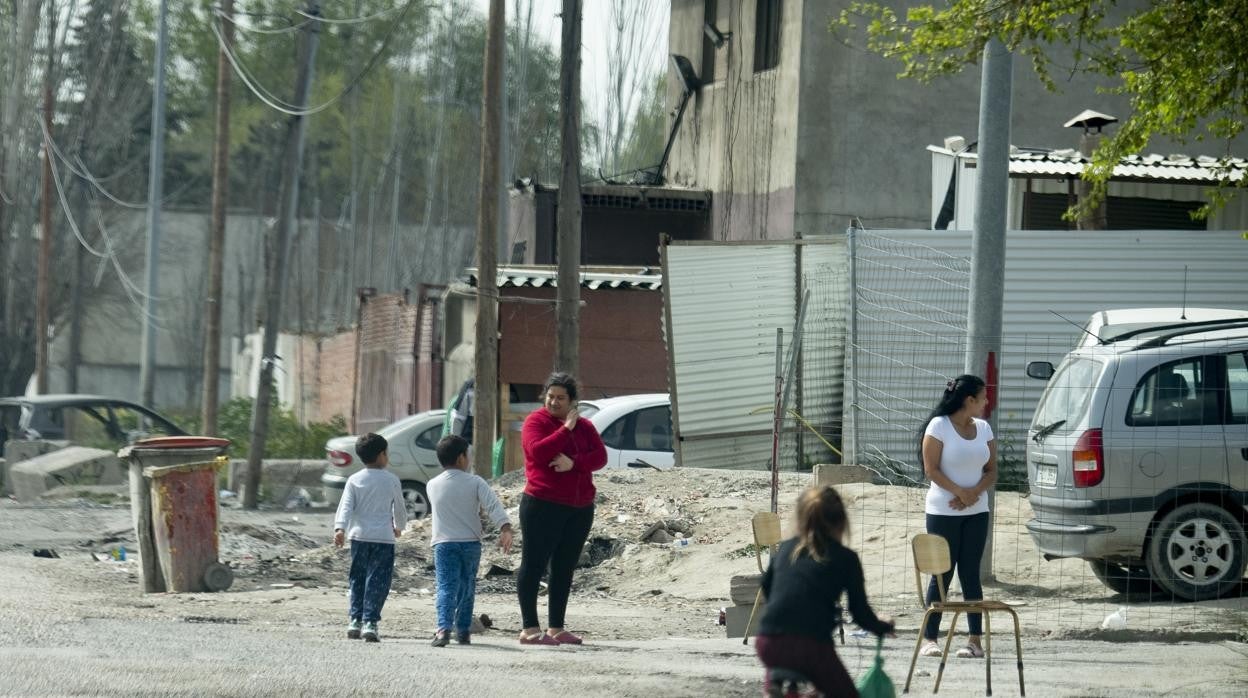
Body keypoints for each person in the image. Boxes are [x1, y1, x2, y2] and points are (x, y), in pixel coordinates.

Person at [755, 485, 895, 697]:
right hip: (812, 646)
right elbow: (859, 613)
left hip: (769, 641)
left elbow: (767, 587)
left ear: (801, 518)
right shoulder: (846, 558)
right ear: (841, 522)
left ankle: (775, 689)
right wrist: (882, 626)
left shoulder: (784, 549)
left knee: (780, 676)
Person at [516, 372, 607, 645]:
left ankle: (556, 627)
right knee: (533, 565)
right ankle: (530, 629)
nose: (554, 402)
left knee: (564, 567)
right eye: (550, 396)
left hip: (579, 508)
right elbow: (539, 452)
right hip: (542, 504)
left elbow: (600, 457)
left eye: (561, 398)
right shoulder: (536, 421)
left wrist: (574, 463)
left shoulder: (586, 426)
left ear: (572, 401)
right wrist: (565, 429)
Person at [917, 374, 997, 659]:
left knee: (970, 573)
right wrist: (960, 492)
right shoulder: (939, 426)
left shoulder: (984, 429)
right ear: (969, 400)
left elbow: (991, 471)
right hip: (943, 510)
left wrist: (973, 493)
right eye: (983, 397)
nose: (987, 402)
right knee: (941, 573)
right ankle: (930, 638)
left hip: (977, 511)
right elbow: (931, 469)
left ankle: (975, 640)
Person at [427, 434, 514, 647]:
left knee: (446, 587)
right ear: (460, 458)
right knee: (467, 586)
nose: (470, 459)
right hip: (470, 544)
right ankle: (464, 631)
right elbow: (493, 505)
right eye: (468, 455)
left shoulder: (432, 484)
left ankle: (443, 629)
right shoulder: (475, 482)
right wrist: (505, 527)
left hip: (443, 544)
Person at [333, 433, 407, 643]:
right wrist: (399, 526)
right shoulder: (392, 480)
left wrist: (340, 528)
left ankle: (354, 620)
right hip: (383, 538)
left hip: (359, 537)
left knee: (357, 578)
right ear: (382, 455)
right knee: (378, 581)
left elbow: (345, 506)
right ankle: (370, 623)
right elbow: (399, 508)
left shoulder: (354, 480)